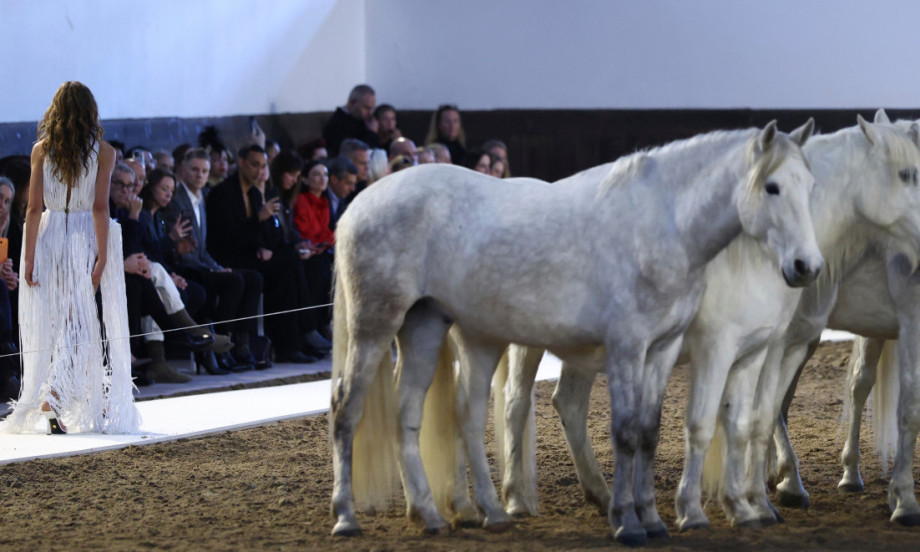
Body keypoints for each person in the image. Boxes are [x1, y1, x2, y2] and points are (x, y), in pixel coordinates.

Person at [3, 81, 140, 435]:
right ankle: (55, 396)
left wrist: (28, 256)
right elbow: (99, 207)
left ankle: (56, 395)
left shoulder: (40, 151)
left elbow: (33, 209)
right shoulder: (104, 153)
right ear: (91, 112)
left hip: (49, 235)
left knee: (61, 321)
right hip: (83, 236)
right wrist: (102, 255)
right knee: (78, 322)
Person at [165, 148, 261, 372]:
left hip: (201, 265)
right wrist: (212, 270)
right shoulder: (177, 201)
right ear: (184, 171)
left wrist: (217, 267)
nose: (200, 175)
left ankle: (241, 345)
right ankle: (220, 345)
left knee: (253, 278)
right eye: (195, 170)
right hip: (186, 267)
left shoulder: (201, 199)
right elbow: (184, 251)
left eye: (204, 171)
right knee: (234, 281)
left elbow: (203, 248)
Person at [293, 160, 336, 331]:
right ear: (305, 179)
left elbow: (325, 231)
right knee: (320, 269)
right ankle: (314, 326)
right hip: (308, 251)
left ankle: (325, 322)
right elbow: (306, 232)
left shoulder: (324, 202)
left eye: (325, 174)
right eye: (316, 174)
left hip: (321, 250)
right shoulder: (301, 200)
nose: (322, 179)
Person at [322, 84, 380, 156]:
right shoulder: (337, 123)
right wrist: (371, 133)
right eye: (366, 108)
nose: (370, 113)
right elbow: (356, 153)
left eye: (372, 109)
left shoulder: (364, 120)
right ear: (352, 102)